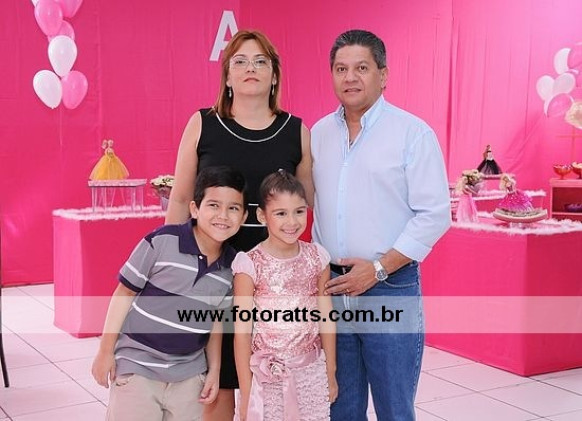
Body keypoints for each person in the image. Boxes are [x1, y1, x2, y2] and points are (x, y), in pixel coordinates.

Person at [165, 29, 314, 420]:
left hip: (274, 281)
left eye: (261, 61)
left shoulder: (296, 131)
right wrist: (173, 267)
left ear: (274, 75)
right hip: (211, 269)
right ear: (227, 75)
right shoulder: (202, 123)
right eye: (241, 61)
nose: (251, 68)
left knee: (270, 389)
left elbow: (306, 205)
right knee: (215, 385)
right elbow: (180, 199)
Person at [311, 29, 451, 420]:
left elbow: (435, 213)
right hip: (332, 288)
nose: (350, 78)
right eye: (341, 69)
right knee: (340, 407)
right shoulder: (318, 134)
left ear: (383, 74)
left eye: (362, 68)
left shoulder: (412, 133)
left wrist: (376, 269)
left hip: (389, 287)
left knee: (394, 407)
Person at [91, 166, 248, 421]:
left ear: (243, 217)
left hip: (189, 375)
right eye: (214, 205)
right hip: (138, 366)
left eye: (233, 208)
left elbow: (216, 321)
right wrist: (105, 351)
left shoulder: (233, 267)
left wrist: (214, 370)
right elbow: (124, 293)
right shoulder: (161, 241)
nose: (223, 215)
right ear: (195, 208)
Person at [232, 170, 338, 421]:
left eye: (299, 211)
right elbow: (242, 333)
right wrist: (246, 393)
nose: (292, 221)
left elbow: (326, 318)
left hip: (311, 373)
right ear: (262, 215)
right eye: (281, 213)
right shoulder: (250, 264)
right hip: (266, 378)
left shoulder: (317, 257)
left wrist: (330, 372)